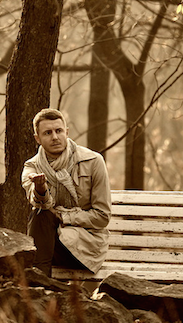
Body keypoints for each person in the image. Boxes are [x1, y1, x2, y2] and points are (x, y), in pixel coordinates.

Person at [21, 108, 111, 277]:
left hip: (86, 246)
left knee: (43, 219)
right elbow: (37, 201)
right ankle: (40, 284)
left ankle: (37, 288)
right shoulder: (32, 167)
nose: (55, 137)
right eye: (47, 133)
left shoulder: (93, 161)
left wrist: (63, 216)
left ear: (67, 132)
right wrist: (41, 190)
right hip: (50, 244)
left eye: (59, 131)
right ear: (37, 138)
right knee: (40, 213)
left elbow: (102, 216)